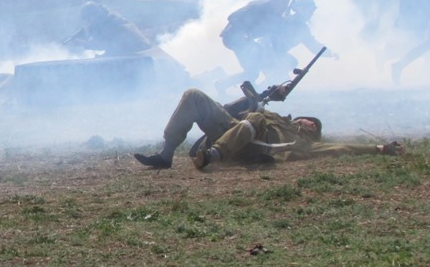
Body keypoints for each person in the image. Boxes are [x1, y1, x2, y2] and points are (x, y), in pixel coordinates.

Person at [134, 88, 404, 170]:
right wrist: (269, 94)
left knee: (257, 118)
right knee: (194, 95)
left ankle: (213, 156)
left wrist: (379, 148)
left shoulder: (302, 143)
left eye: (314, 128)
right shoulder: (273, 115)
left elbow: (341, 147)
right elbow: (242, 110)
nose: (309, 124)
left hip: (255, 148)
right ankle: (166, 155)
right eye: (310, 120)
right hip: (236, 129)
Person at [215, 0, 292, 93]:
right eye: (281, 2)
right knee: (254, 64)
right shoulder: (257, 6)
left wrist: (284, 21)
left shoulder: (277, 17)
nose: (283, 6)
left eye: (285, 3)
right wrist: (243, 32)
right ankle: (226, 85)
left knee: (253, 71)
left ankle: (224, 84)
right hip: (233, 37)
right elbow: (232, 17)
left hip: (247, 42)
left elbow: (278, 32)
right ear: (273, 0)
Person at [265, 0, 335, 78]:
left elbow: (313, 45)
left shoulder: (292, 21)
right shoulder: (296, 24)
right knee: (286, 70)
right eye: (310, 10)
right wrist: (330, 53)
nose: (311, 13)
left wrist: (329, 53)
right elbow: (313, 45)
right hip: (267, 53)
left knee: (289, 65)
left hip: (270, 53)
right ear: (301, 9)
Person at [64, 1, 151, 56]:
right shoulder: (107, 20)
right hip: (134, 53)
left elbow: (104, 44)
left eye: (87, 18)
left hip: (137, 54)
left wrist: (84, 43)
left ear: (94, 15)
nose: (87, 22)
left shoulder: (111, 23)